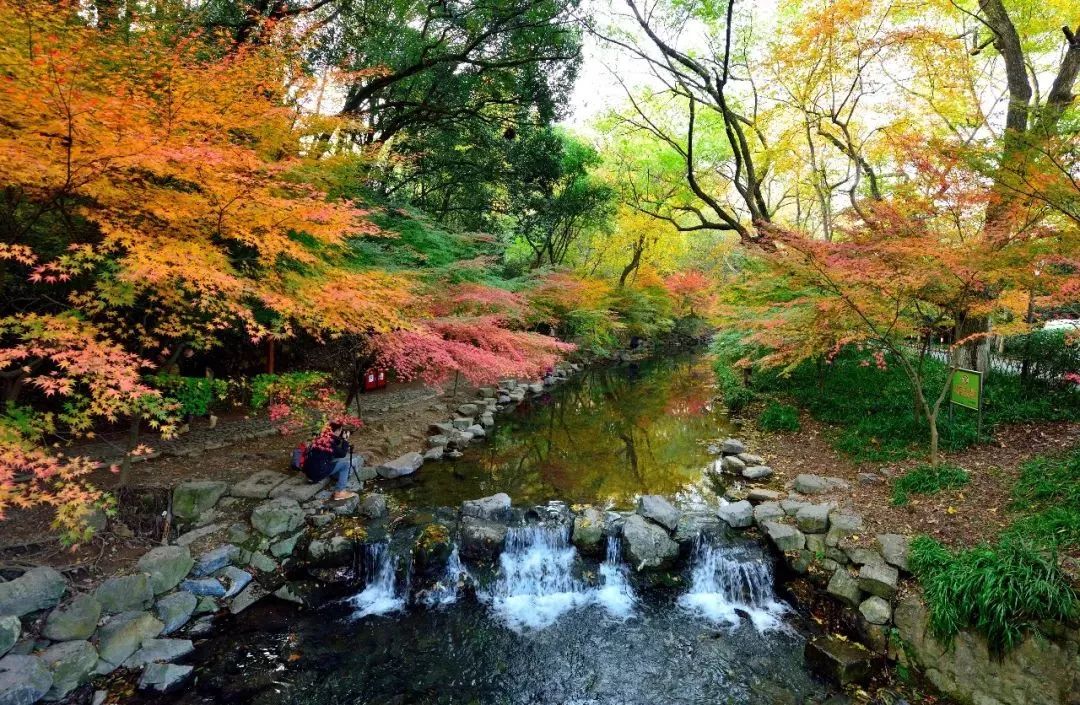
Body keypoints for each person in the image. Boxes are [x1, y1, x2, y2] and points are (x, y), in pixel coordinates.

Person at [303, 421, 360, 501]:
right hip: (317, 472)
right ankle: (340, 492)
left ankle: (335, 476)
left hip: (308, 471)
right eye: (341, 430)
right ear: (338, 430)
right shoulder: (330, 442)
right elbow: (342, 454)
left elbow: (334, 453)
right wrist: (345, 440)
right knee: (345, 465)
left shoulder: (320, 437)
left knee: (335, 459)